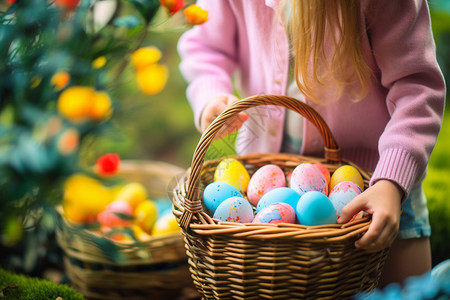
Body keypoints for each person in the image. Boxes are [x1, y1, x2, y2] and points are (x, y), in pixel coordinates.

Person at [177, 0, 446, 287]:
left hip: (377, 185)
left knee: (411, 291)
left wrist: (392, 181)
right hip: (269, 179)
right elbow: (206, 46)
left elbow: (416, 88)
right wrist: (211, 94)